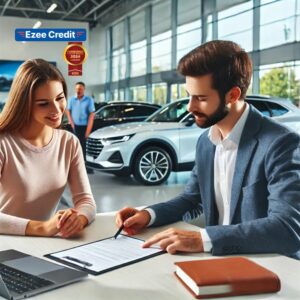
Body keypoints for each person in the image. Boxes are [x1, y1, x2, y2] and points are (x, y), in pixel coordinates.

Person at [116, 40, 300, 259]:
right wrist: (148, 214)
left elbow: (287, 228)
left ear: (232, 95)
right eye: (189, 95)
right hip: (218, 261)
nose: (190, 107)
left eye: (201, 98)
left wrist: (202, 239)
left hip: (272, 270)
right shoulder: (206, 141)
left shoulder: (281, 144)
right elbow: (192, 199)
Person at [0, 59, 96, 237]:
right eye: (43, 103)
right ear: (24, 104)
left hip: (44, 243)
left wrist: (79, 219)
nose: (57, 109)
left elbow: (86, 201)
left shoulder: (69, 143)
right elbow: (44, 228)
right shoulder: (3, 144)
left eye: (59, 98)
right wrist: (42, 228)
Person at [65, 81, 95, 173]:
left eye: (81, 89)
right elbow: (68, 111)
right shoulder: (71, 100)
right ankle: (75, 167)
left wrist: (88, 130)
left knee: (85, 147)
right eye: (77, 89)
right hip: (75, 126)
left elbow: (92, 114)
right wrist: (72, 123)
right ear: (75, 89)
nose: (79, 90)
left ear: (84, 90)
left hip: (85, 127)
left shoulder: (89, 100)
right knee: (74, 146)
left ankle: (86, 167)